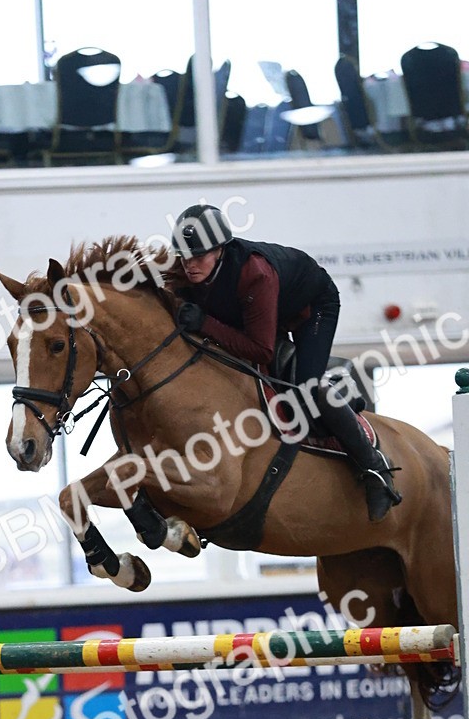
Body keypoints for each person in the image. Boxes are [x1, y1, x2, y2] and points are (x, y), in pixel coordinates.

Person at [166, 202, 401, 523]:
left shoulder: (255, 273)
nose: (189, 265)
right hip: (264, 312)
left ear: (221, 249)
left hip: (312, 308)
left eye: (198, 256)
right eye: (184, 256)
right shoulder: (188, 267)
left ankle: (374, 468)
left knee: (306, 388)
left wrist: (205, 322)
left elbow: (261, 351)